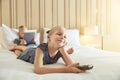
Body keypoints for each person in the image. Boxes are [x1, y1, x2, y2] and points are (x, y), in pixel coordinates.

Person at [16, 26, 85, 74]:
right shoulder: (41, 48)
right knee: (22, 51)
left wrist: (64, 51)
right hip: (31, 54)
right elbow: (37, 69)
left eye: (65, 37)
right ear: (49, 38)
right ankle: (15, 47)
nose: (62, 38)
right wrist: (65, 70)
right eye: (59, 34)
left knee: (26, 49)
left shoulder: (60, 50)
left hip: (35, 51)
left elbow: (71, 65)